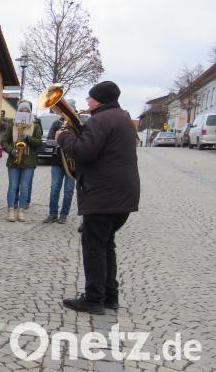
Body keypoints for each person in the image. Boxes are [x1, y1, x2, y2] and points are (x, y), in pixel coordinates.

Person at [57, 81, 139, 314]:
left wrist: (64, 137)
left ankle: (94, 299)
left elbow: (84, 152)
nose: (87, 101)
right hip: (122, 195)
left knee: (94, 247)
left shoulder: (101, 120)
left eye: (90, 98)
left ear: (99, 100)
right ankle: (110, 296)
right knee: (106, 244)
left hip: (103, 195)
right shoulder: (123, 118)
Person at [1, 100, 43, 222]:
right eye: (22, 111)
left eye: (27, 111)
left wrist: (27, 138)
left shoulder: (35, 126)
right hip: (13, 161)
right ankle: (10, 211)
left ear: (30, 113)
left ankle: (21, 211)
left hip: (29, 162)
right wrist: (11, 150)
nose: (24, 113)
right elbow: (3, 142)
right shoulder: (12, 125)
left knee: (24, 187)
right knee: (13, 186)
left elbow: (39, 143)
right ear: (18, 112)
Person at [44, 99, 78, 224]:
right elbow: (48, 141)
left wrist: (68, 140)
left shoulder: (77, 124)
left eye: (69, 109)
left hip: (72, 162)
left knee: (68, 190)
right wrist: (58, 139)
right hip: (57, 160)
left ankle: (64, 214)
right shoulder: (56, 123)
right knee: (54, 188)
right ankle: (52, 213)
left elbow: (82, 141)